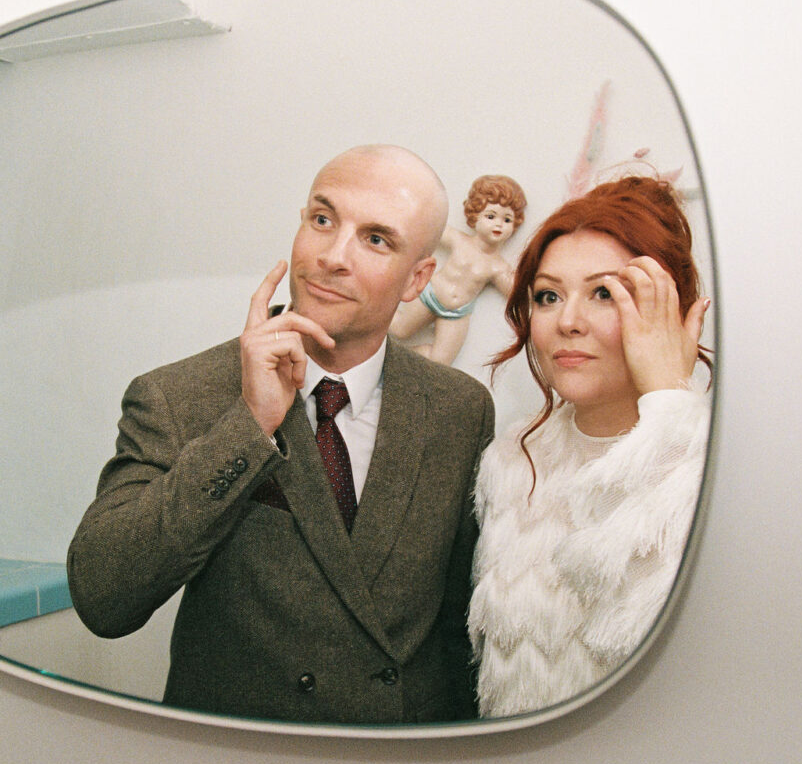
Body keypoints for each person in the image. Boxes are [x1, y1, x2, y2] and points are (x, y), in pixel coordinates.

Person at [67, 145, 495, 724]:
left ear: (417, 277)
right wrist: (248, 427)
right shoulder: (177, 396)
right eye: (323, 220)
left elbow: (458, 625)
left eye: (376, 240)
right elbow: (103, 597)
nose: (332, 257)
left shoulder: (458, 409)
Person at [468, 176, 711, 717]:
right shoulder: (511, 459)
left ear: (670, 306)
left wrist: (669, 406)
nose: (568, 322)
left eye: (605, 293)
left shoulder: (713, 459)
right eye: (548, 296)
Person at [388, 174, 527, 365]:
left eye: (507, 220)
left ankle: (392, 360)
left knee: (441, 360)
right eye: (491, 216)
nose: (498, 224)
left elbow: (517, 293)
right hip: (431, 295)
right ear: (474, 216)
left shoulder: (498, 266)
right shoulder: (459, 240)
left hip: (457, 312)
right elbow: (427, 229)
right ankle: (368, 311)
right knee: (398, 329)